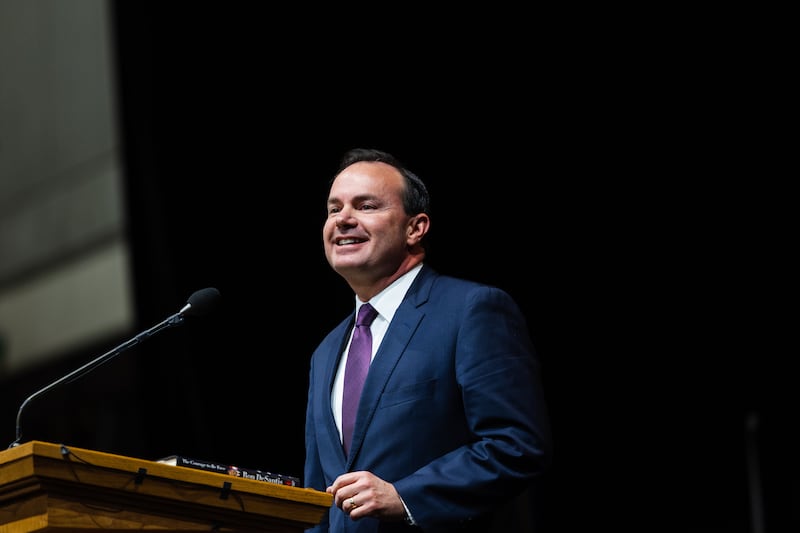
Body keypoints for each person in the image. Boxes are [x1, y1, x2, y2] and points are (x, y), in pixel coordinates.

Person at [304, 147, 552, 532]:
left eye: (365, 206)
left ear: (415, 227)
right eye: (334, 209)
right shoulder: (325, 353)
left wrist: (404, 497)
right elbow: (319, 494)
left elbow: (515, 445)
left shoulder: (471, 310)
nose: (343, 220)